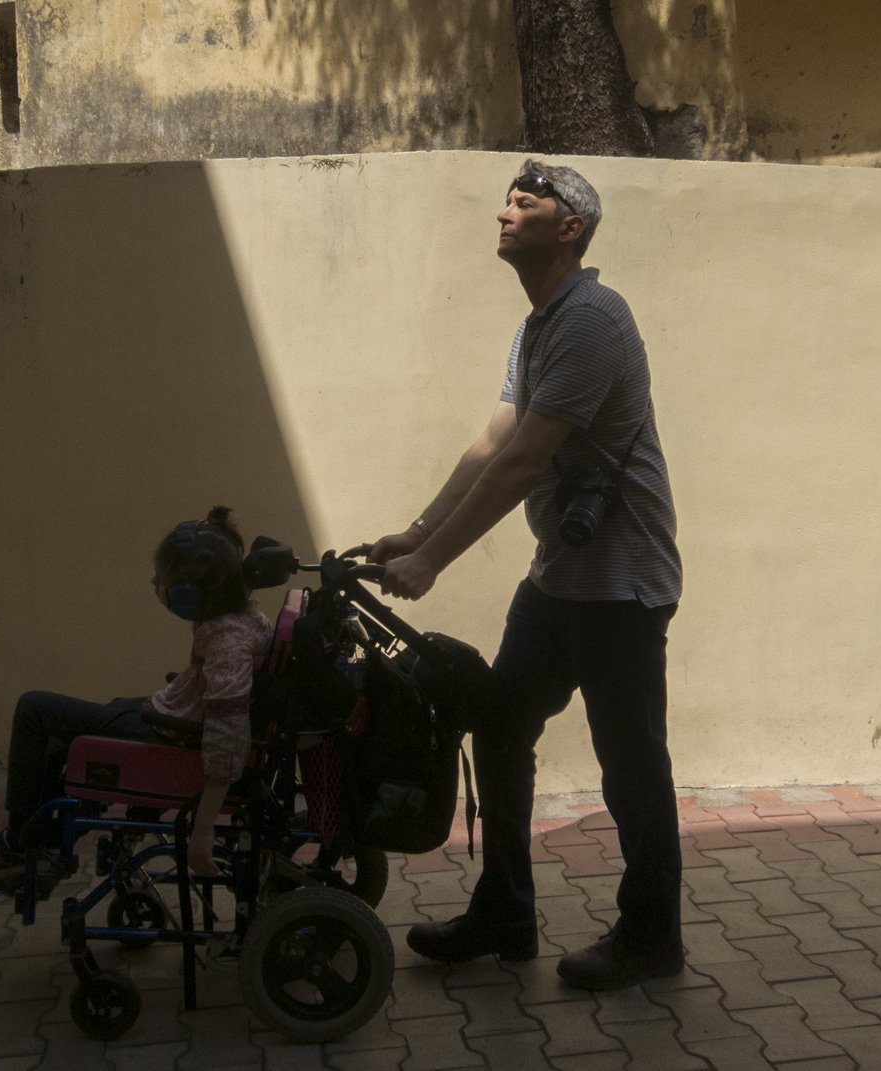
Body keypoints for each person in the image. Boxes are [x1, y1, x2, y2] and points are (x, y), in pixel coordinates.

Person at [363, 160, 684, 990]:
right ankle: (506, 910)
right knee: (503, 731)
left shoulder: (593, 320)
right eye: (507, 199)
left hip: (620, 586)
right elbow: (489, 446)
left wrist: (431, 562)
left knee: (631, 765)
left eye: (525, 201)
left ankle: (653, 936)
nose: (503, 211)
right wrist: (417, 528)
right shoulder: (539, 325)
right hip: (560, 581)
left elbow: (524, 463)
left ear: (569, 226)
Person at [0, 507, 272, 902]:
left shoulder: (228, 641)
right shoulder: (236, 615)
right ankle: (43, 846)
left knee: (33, 710)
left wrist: (204, 829)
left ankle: (20, 847)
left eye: (164, 579)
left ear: (191, 593)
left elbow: (228, 737)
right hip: (171, 718)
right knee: (67, 737)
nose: (155, 583)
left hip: (174, 734)